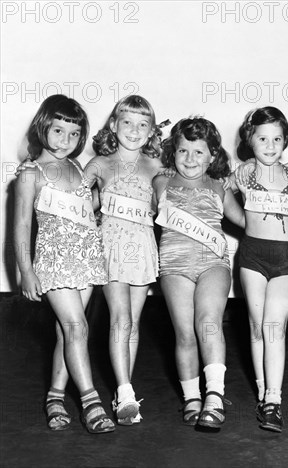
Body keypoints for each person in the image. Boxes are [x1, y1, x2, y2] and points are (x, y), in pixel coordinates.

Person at [14, 94, 114, 434]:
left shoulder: (75, 167)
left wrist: (111, 194)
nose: (65, 140)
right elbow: (22, 226)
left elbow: (86, 210)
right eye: (58, 131)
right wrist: (25, 270)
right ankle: (91, 401)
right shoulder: (31, 173)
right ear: (43, 128)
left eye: (73, 134)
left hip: (86, 257)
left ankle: (55, 398)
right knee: (76, 328)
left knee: (68, 331)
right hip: (54, 260)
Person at [153, 117, 245, 430]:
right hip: (174, 265)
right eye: (182, 151)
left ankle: (215, 397)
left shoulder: (220, 186)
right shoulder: (161, 182)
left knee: (208, 322)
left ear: (213, 156)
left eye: (198, 152)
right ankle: (192, 397)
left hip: (213, 264)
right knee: (184, 332)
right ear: (172, 153)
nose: (190, 159)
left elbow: (246, 221)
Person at [87, 95, 164, 425]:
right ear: (114, 125)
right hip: (112, 246)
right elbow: (74, 195)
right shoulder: (101, 163)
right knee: (119, 319)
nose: (134, 130)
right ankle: (126, 391)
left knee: (132, 323)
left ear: (150, 132)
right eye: (127, 122)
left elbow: (167, 205)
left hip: (143, 247)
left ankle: (123, 394)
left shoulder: (157, 167)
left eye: (142, 124)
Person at [233, 107, 288, 433]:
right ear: (250, 139)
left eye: (277, 138)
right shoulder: (244, 172)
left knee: (275, 325)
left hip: (286, 256)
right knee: (256, 326)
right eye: (263, 138)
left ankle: (275, 400)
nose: (271, 144)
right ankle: (263, 392)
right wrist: (243, 221)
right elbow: (215, 192)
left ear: (286, 140)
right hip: (252, 255)